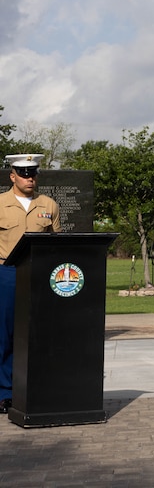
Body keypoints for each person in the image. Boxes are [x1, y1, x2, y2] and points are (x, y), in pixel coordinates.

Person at [0, 154, 60, 415]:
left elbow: (57, 243)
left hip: (39, 275)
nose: (29, 178)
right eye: (23, 174)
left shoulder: (48, 205)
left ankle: (37, 387)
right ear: (12, 176)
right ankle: (5, 392)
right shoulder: (0, 204)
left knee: (38, 331)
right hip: (7, 274)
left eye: (33, 173)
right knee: (6, 334)